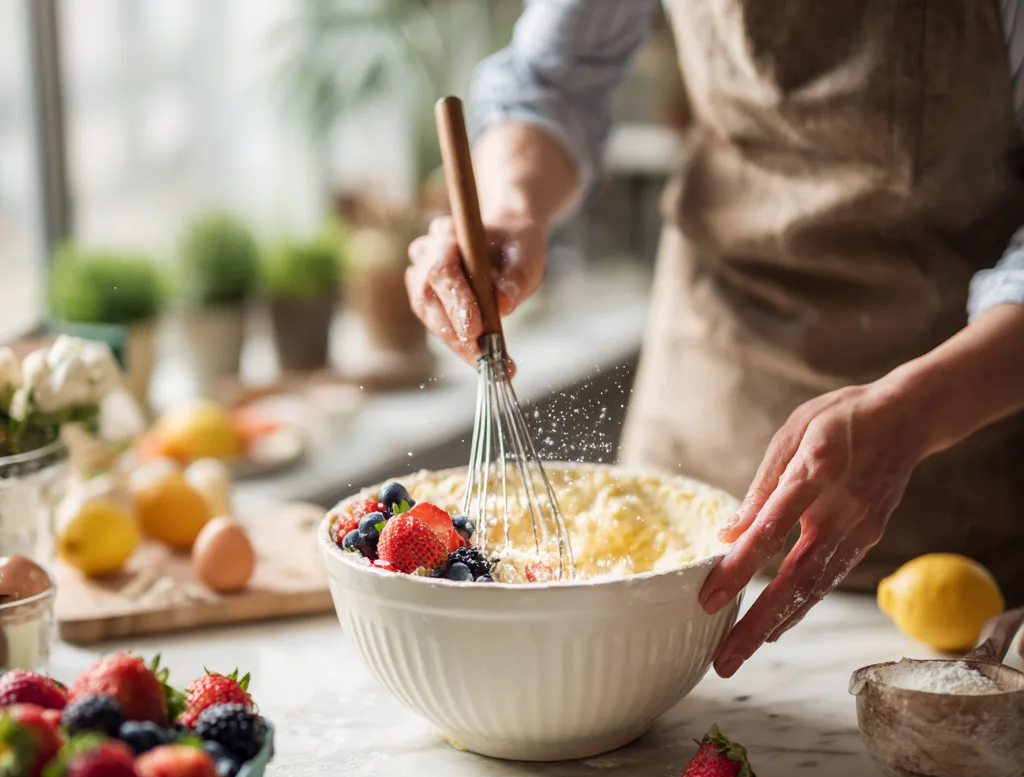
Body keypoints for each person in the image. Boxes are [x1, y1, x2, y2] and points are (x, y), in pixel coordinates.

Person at [405, 1, 1024, 677]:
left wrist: (918, 410)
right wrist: (510, 207)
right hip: (709, 395)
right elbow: (555, 76)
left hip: (961, 444)